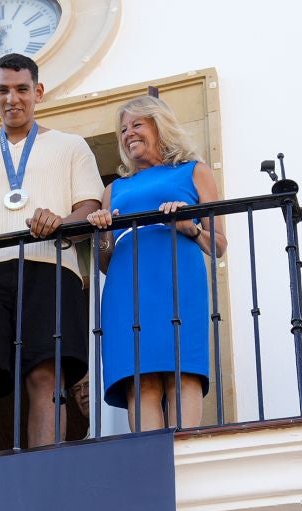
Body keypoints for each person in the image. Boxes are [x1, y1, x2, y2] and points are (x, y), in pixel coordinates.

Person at [0, 53, 103, 455]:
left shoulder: (71, 145)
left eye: (22, 89)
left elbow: (90, 208)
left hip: (50, 267)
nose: (13, 98)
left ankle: (46, 465)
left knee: (47, 374)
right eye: (4, 90)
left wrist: (60, 219)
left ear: (38, 92)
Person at [87, 97, 224, 432]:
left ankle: (184, 458)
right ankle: (150, 461)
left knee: (182, 371)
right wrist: (103, 233)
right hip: (126, 286)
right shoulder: (113, 188)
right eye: (123, 129)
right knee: (140, 379)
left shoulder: (195, 171)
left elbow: (218, 244)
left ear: (159, 126)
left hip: (178, 279)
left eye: (136, 125)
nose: (128, 134)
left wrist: (188, 226)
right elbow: (105, 261)